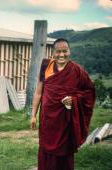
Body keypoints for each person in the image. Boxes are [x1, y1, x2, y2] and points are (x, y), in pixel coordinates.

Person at [30, 38, 96, 170]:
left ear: (69, 51)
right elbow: (38, 92)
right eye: (58, 51)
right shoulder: (46, 66)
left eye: (64, 51)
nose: (61, 55)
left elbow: (89, 92)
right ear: (53, 52)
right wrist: (33, 115)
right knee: (46, 149)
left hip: (66, 120)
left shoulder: (77, 71)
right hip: (47, 118)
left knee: (64, 151)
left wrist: (74, 99)